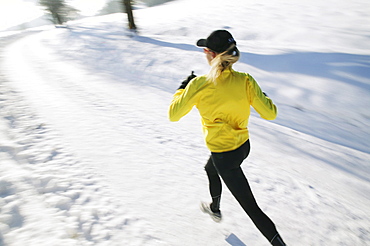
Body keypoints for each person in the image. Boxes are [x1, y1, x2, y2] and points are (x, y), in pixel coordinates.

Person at [168, 30, 286, 246]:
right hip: (243, 147)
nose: (204, 53)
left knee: (252, 209)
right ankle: (215, 209)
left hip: (225, 156)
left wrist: (182, 88)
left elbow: (173, 115)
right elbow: (271, 113)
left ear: (211, 55)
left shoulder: (199, 85)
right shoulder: (246, 80)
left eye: (205, 50)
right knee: (209, 169)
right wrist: (262, 95)